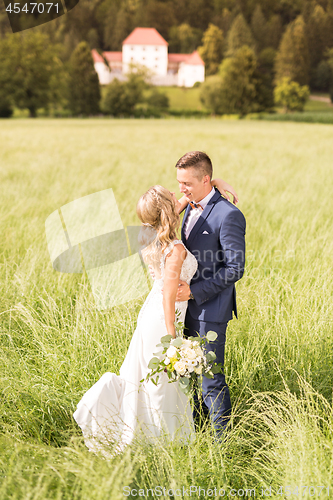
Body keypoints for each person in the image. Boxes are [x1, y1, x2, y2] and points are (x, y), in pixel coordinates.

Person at [73, 177, 239, 456]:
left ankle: (157, 432)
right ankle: (163, 439)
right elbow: (168, 296)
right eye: (171, 194)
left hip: (149, 314)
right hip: (162, 318)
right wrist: (172, 338)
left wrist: (214, 184)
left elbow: (179, 204)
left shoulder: (150, 233)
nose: (178, 194)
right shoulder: (173, 250)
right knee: (162, 381)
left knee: (150, 379)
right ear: (166, 210)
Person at [174, 151, 246, 441]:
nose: (181, 188)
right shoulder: (189, 204)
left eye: (187, 183)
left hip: (211, 310)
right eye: (179, 182)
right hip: (186, 310)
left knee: (211, 379)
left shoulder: (229, 215)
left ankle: (222, 444)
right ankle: (197, 431)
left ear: (204, 179)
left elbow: (235, 268)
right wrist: (202, 187)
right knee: (189, 374)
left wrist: (193, 291)